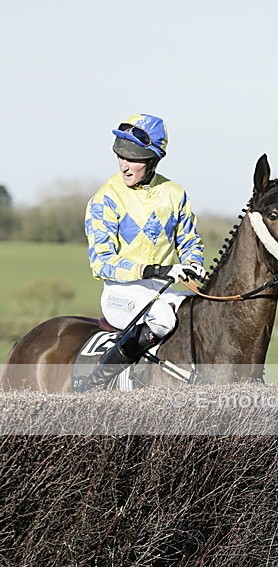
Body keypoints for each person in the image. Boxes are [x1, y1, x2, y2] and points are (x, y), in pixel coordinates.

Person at [78, 113, 205, 391]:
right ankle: (96, 384)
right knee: (162, 318)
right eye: (121, 156)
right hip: (121, 291)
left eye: (133, 158)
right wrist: (150, 270)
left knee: (205, 310)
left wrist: (194, 264)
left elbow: (190, 242)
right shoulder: (105, 199)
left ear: (153, 160)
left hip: (167, 286)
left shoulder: (175, 193)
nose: (124, 165)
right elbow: (101, 263)